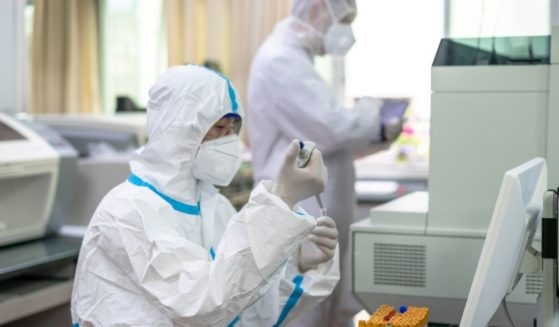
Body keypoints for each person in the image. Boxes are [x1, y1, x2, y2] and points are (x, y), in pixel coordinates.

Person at [71, 65, 341, 326]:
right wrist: (280, 203)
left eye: (234, 128)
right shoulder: (127, 212)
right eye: (218, 127)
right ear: (178, 130)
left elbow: (246, 308)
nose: (229, 140)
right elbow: (201, 304)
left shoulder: (215, 207)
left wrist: (295, 263)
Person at [247, 0, 403, 326]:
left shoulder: (296, 61)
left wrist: (378, 130)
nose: (346, 31)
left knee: (322, 299)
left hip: (316, 213)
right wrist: (374, 116)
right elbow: (331, 128)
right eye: (343, 20)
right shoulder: (280, 60)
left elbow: (332, 142)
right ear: (318, 10)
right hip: (300, 213)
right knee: (303, 305)